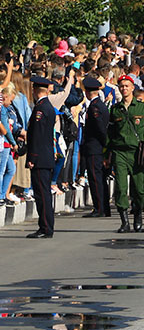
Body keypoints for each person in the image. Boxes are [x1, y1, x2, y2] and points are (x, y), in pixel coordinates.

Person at [108, 74, 144, 233]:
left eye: (127, 86)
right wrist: (107, 155)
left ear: (133, 88)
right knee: (121, 188)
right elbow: (110, 133)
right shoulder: (115, 109)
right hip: (120, 152)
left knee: (139, 188)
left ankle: (137, 214)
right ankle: (124, 222)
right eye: (121, 86)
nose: (124, 89)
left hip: (137, 153)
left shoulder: (142, 107)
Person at [25, 77, 70, 238]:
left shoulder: (41, 108)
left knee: (42, 194)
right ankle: (45, 226)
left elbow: (37, 135)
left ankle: (45, 227)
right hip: (45, 156)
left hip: (40, 157)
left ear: (36, 90)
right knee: (42, 193)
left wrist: (32, 156)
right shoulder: (46, 107)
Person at [80, 77, 111, 218]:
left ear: (87, 92)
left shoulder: (95, 107)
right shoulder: (99, 104)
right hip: (96, 147)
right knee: (99, 178)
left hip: (95, 147)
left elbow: (100, 129)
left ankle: (99, 208)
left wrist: (104, 146)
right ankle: (103, 207)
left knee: (95, 178)